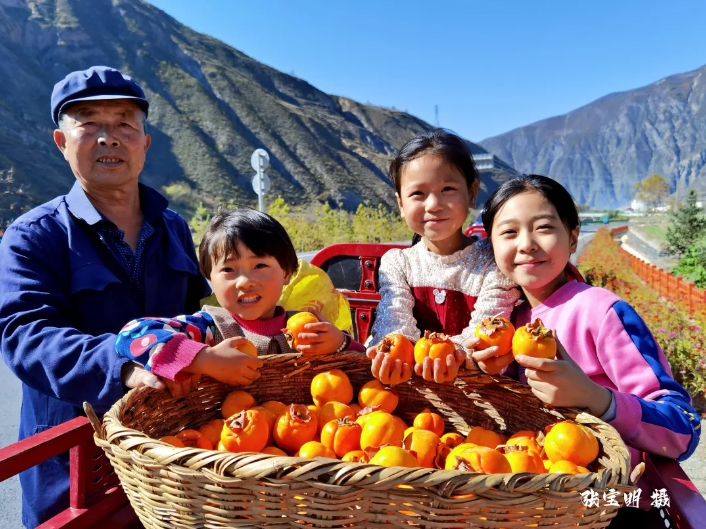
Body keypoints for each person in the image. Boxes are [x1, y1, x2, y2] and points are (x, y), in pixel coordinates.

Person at [0, 66, 211, 528]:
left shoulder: (172, 226)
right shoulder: (34, 236)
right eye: (89, 123)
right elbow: (26, 337)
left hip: (170, 451)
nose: (108, 137)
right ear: (61, 141)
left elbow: (199, 315)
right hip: (76, 464)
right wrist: (126, 366)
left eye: (123, 123)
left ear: (144, 142)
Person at [468, 174, 699, 466]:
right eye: (509, 232)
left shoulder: (601, 313)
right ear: (492, 246)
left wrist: (595, 397)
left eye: (543, 228)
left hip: (612, 501)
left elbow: (682, 428)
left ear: (573, 237)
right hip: (534, 501)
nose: (526, 244)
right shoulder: (503, 319)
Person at [115, 208, 365, 383]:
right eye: (228, 270)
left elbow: (362, 368)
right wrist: (203, 358)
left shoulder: (307, 327)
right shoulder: (208, 329)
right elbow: (132, 333)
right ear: (210, 278)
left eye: (259, 266)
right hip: (227, 450)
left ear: (287, 273)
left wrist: (341, 345)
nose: (245, 281)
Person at [367, 129, 520, 385]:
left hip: (482, 393)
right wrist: (394, 350)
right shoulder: (398, 263)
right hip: (416, 393)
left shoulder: (494, 262)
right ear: (401, 205)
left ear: (471, 193)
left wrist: (448, 355)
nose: (433, 205)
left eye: (447, 189)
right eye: (418, 194)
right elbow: (394, 325)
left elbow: (485, 334)